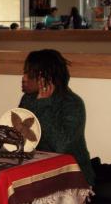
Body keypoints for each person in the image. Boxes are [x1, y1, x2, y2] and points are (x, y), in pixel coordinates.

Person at [19, 49, 95, 186]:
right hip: (38, 168)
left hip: (71, 175)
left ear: (44, 77)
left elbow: (60, 146)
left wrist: (43, 104)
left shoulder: (72, 103)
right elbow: (21, 136)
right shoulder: (28, 99)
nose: (24, 77)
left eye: (29, 73)